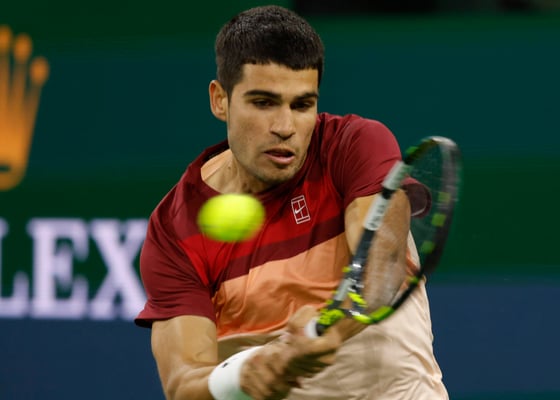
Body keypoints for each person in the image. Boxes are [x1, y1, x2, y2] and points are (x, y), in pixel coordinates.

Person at [135, 5, 448, 400]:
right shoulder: (175, 232)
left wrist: (331, 330)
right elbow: (183, 383)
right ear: (220, 100)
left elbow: (380, 271)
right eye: (263, 102)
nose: (285, 128)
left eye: (301, 105)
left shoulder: (353, 147)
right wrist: (243, 378)